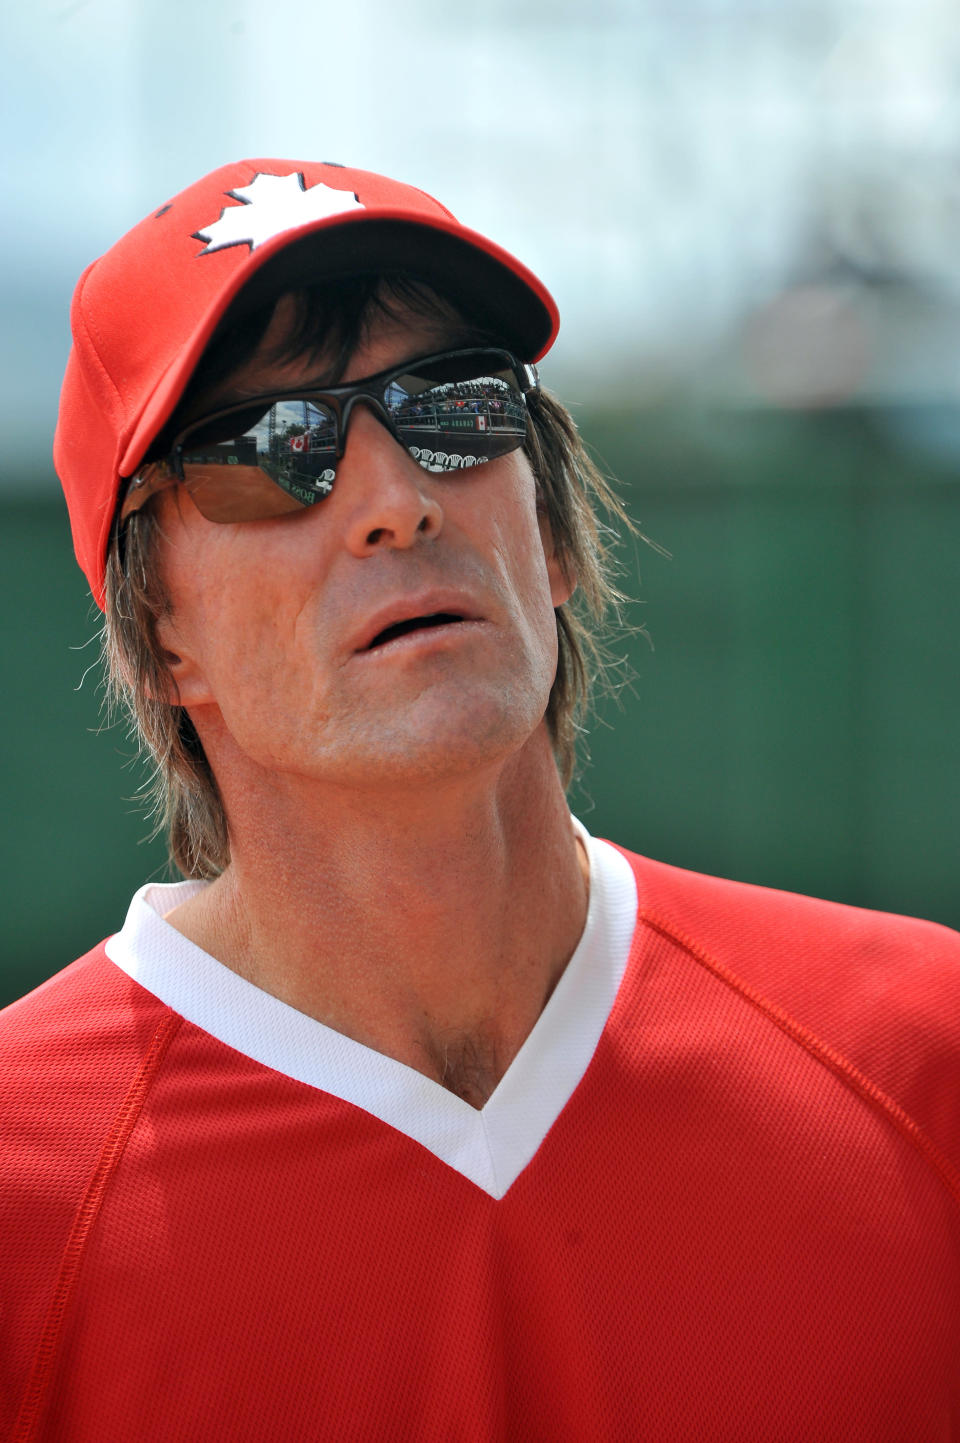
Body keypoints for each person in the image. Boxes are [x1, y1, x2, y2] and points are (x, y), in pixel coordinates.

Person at [2, 157, 958, 1443]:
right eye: (275, 448)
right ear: (158, 631)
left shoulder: (918, 1063)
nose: (395, 502)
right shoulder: (26, 1191)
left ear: (552, 539)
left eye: (452, 406)